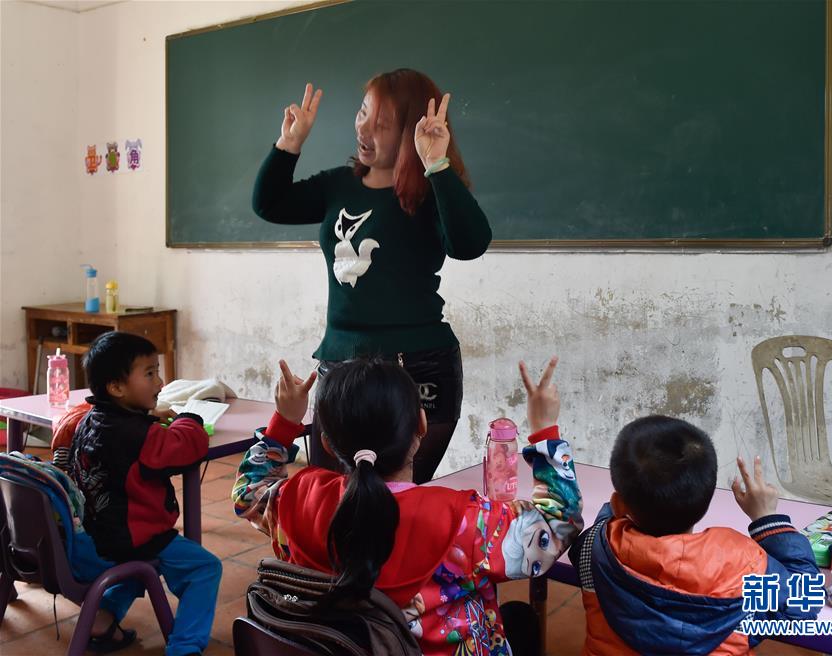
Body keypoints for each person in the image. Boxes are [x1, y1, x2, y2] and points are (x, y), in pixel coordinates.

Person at [232, 356, 582, 655]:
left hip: (340, 643)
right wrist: (544, 431)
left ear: (326, 442)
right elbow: (557, 524)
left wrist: (284, 423)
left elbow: (249, 492)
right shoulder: (465, 521)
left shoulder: (295, 500)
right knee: (520, 619)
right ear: (421, 425)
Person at [252, 68, 492, 483]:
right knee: (333, 497)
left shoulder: (428, 192)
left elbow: (470, 244)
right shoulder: (337, 185)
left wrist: (437, 165)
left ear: (409, 132)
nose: (363, 129)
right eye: (363, 113)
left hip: (417, 367)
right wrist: (289, 144)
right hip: (340, 364)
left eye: (381, 124)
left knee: (402, 499)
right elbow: (269, 204)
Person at [570, 415, 821, 655]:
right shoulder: (745, 567)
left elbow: (600, 528)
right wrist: (767, 519)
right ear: (706, 498)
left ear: (619, 503)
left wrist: (619, 507)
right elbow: (804, 601)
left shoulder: (595, 546)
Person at [68, 332, 221, 655]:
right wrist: (189, 419)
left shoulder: (88, 421)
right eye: (149, 373)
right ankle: (185, 648)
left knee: (137, 569)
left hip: (95, 533)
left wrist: (147, 419)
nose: (160, 382)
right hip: (134, 538)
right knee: (204, 567)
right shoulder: (142, 437)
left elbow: (123, 438)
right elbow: (187, 447)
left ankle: (102, 619)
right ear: (116, 387)